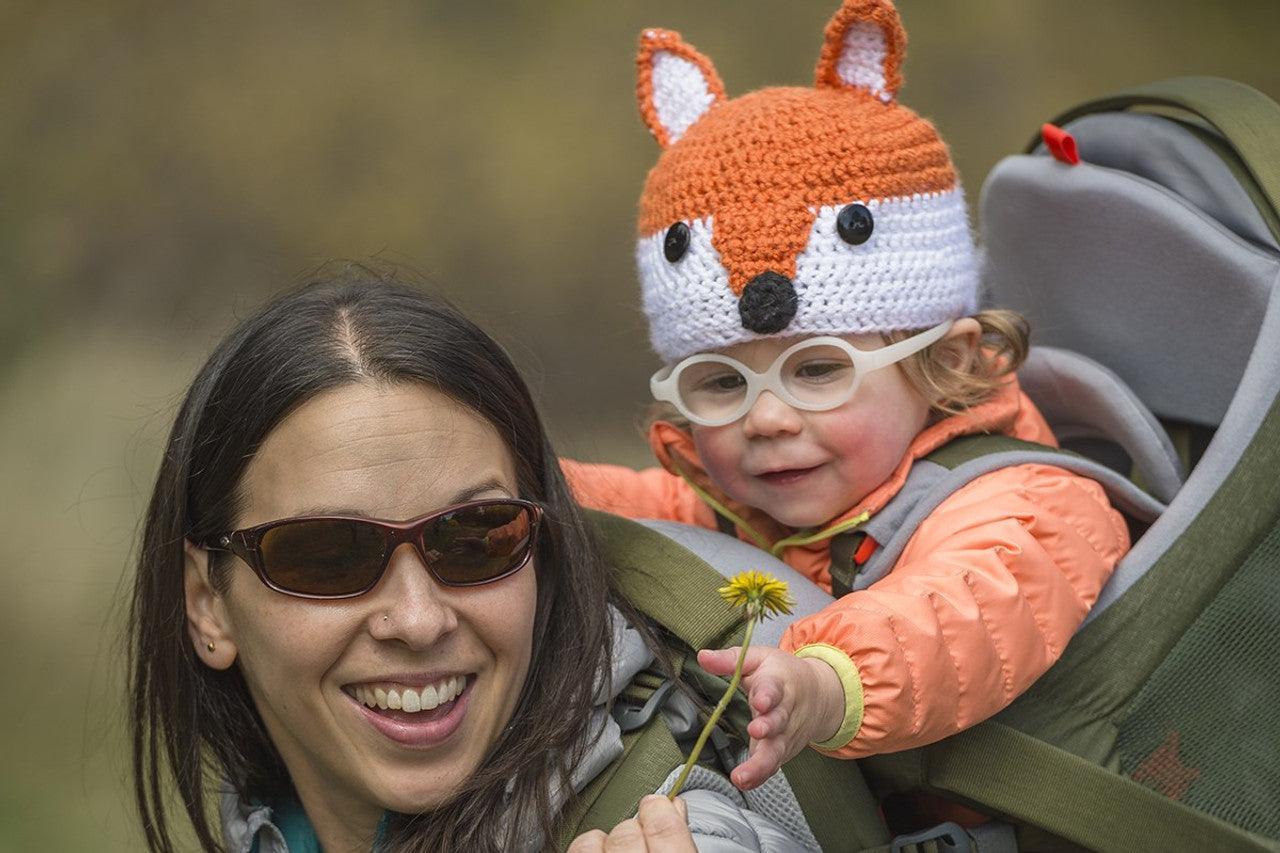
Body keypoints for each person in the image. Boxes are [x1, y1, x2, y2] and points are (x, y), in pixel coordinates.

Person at [563, 0, 1132, 793]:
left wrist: (826, 680)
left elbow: (963, 614)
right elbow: (639, 508)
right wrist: (501, 486)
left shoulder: (1025, 502)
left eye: (819, 369)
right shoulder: (747, 497)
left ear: (944, 359)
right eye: (722, 382)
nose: (765, 418)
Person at [127, 265, 818, 852]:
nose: (418, 618)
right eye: (329, 555)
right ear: (206, 604)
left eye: (475, 534)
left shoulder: (679, 820)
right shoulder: (275, 825)